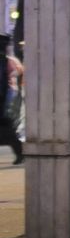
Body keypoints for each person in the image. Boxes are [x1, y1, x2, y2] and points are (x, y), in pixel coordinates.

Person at [0, 34, 21, 165]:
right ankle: (19, 151)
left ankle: (19, 151)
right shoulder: (3, 59)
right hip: (2, 96)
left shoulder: (2, 60)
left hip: (1, 97)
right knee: (5, 126)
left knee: (5, 126)